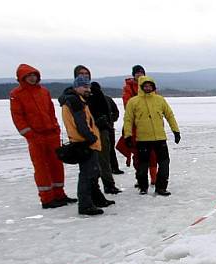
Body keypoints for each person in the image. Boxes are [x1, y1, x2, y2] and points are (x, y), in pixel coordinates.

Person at [9, 64, 74, 209]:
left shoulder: (44, 92)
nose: (32, 78)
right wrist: (30, 135)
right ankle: (47, 199)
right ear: (22, 78)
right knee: (41, 167)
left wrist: (56, 127)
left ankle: (59, 194)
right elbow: (18, 117)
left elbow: (50, 111)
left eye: (34, 75)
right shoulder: (17, 94)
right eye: (29, 76)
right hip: (35, 136)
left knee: (56, 165)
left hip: (51, 134)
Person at [59, 75, 113, 215]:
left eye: (88, 86)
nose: (87, 89)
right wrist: (91, 137)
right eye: (84, 86)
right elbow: (81, 123)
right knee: (87, 174)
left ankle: (96, 199)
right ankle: (85, 205)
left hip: (87, 142)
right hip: (84, 142)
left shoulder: (80, 100)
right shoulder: (74, 101)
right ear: (76, 87)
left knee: (94, 172)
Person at [123, 76, 180, 195]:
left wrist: (176, 131)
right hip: (143, 139)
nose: (148, 88)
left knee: (164, 163)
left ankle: (161, 187)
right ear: (141, 87)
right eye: (145, 86)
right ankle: (143, 186)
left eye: (150, 86)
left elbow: (169, 115)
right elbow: (128, 120)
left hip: (160, 138)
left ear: (153, 87)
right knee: (143, 165)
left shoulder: (160, 100)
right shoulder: (134, 102)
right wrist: (127, 136)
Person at [73, 65, 121, 194]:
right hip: (84, 133)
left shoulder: (96, 92)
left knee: (104, 159)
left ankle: (108, 185)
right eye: (81, 73)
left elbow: (107, 109)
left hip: (101, 129)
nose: (84, 75)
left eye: (86, 73)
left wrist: (106, 123)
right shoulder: (74, 95)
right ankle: (91, 192)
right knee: (89, 164)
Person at [120, 65, 157, 184]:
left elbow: (157, 104)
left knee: (152, 153)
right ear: (133, 75)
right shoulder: (128, 88)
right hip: (136, 126)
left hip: (151, 126)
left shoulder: (150, 87)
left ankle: (153, 177)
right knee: (138, 154)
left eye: (141, 72)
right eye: (137, 73)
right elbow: (128, 107)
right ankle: (141, 178)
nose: (140, 74)